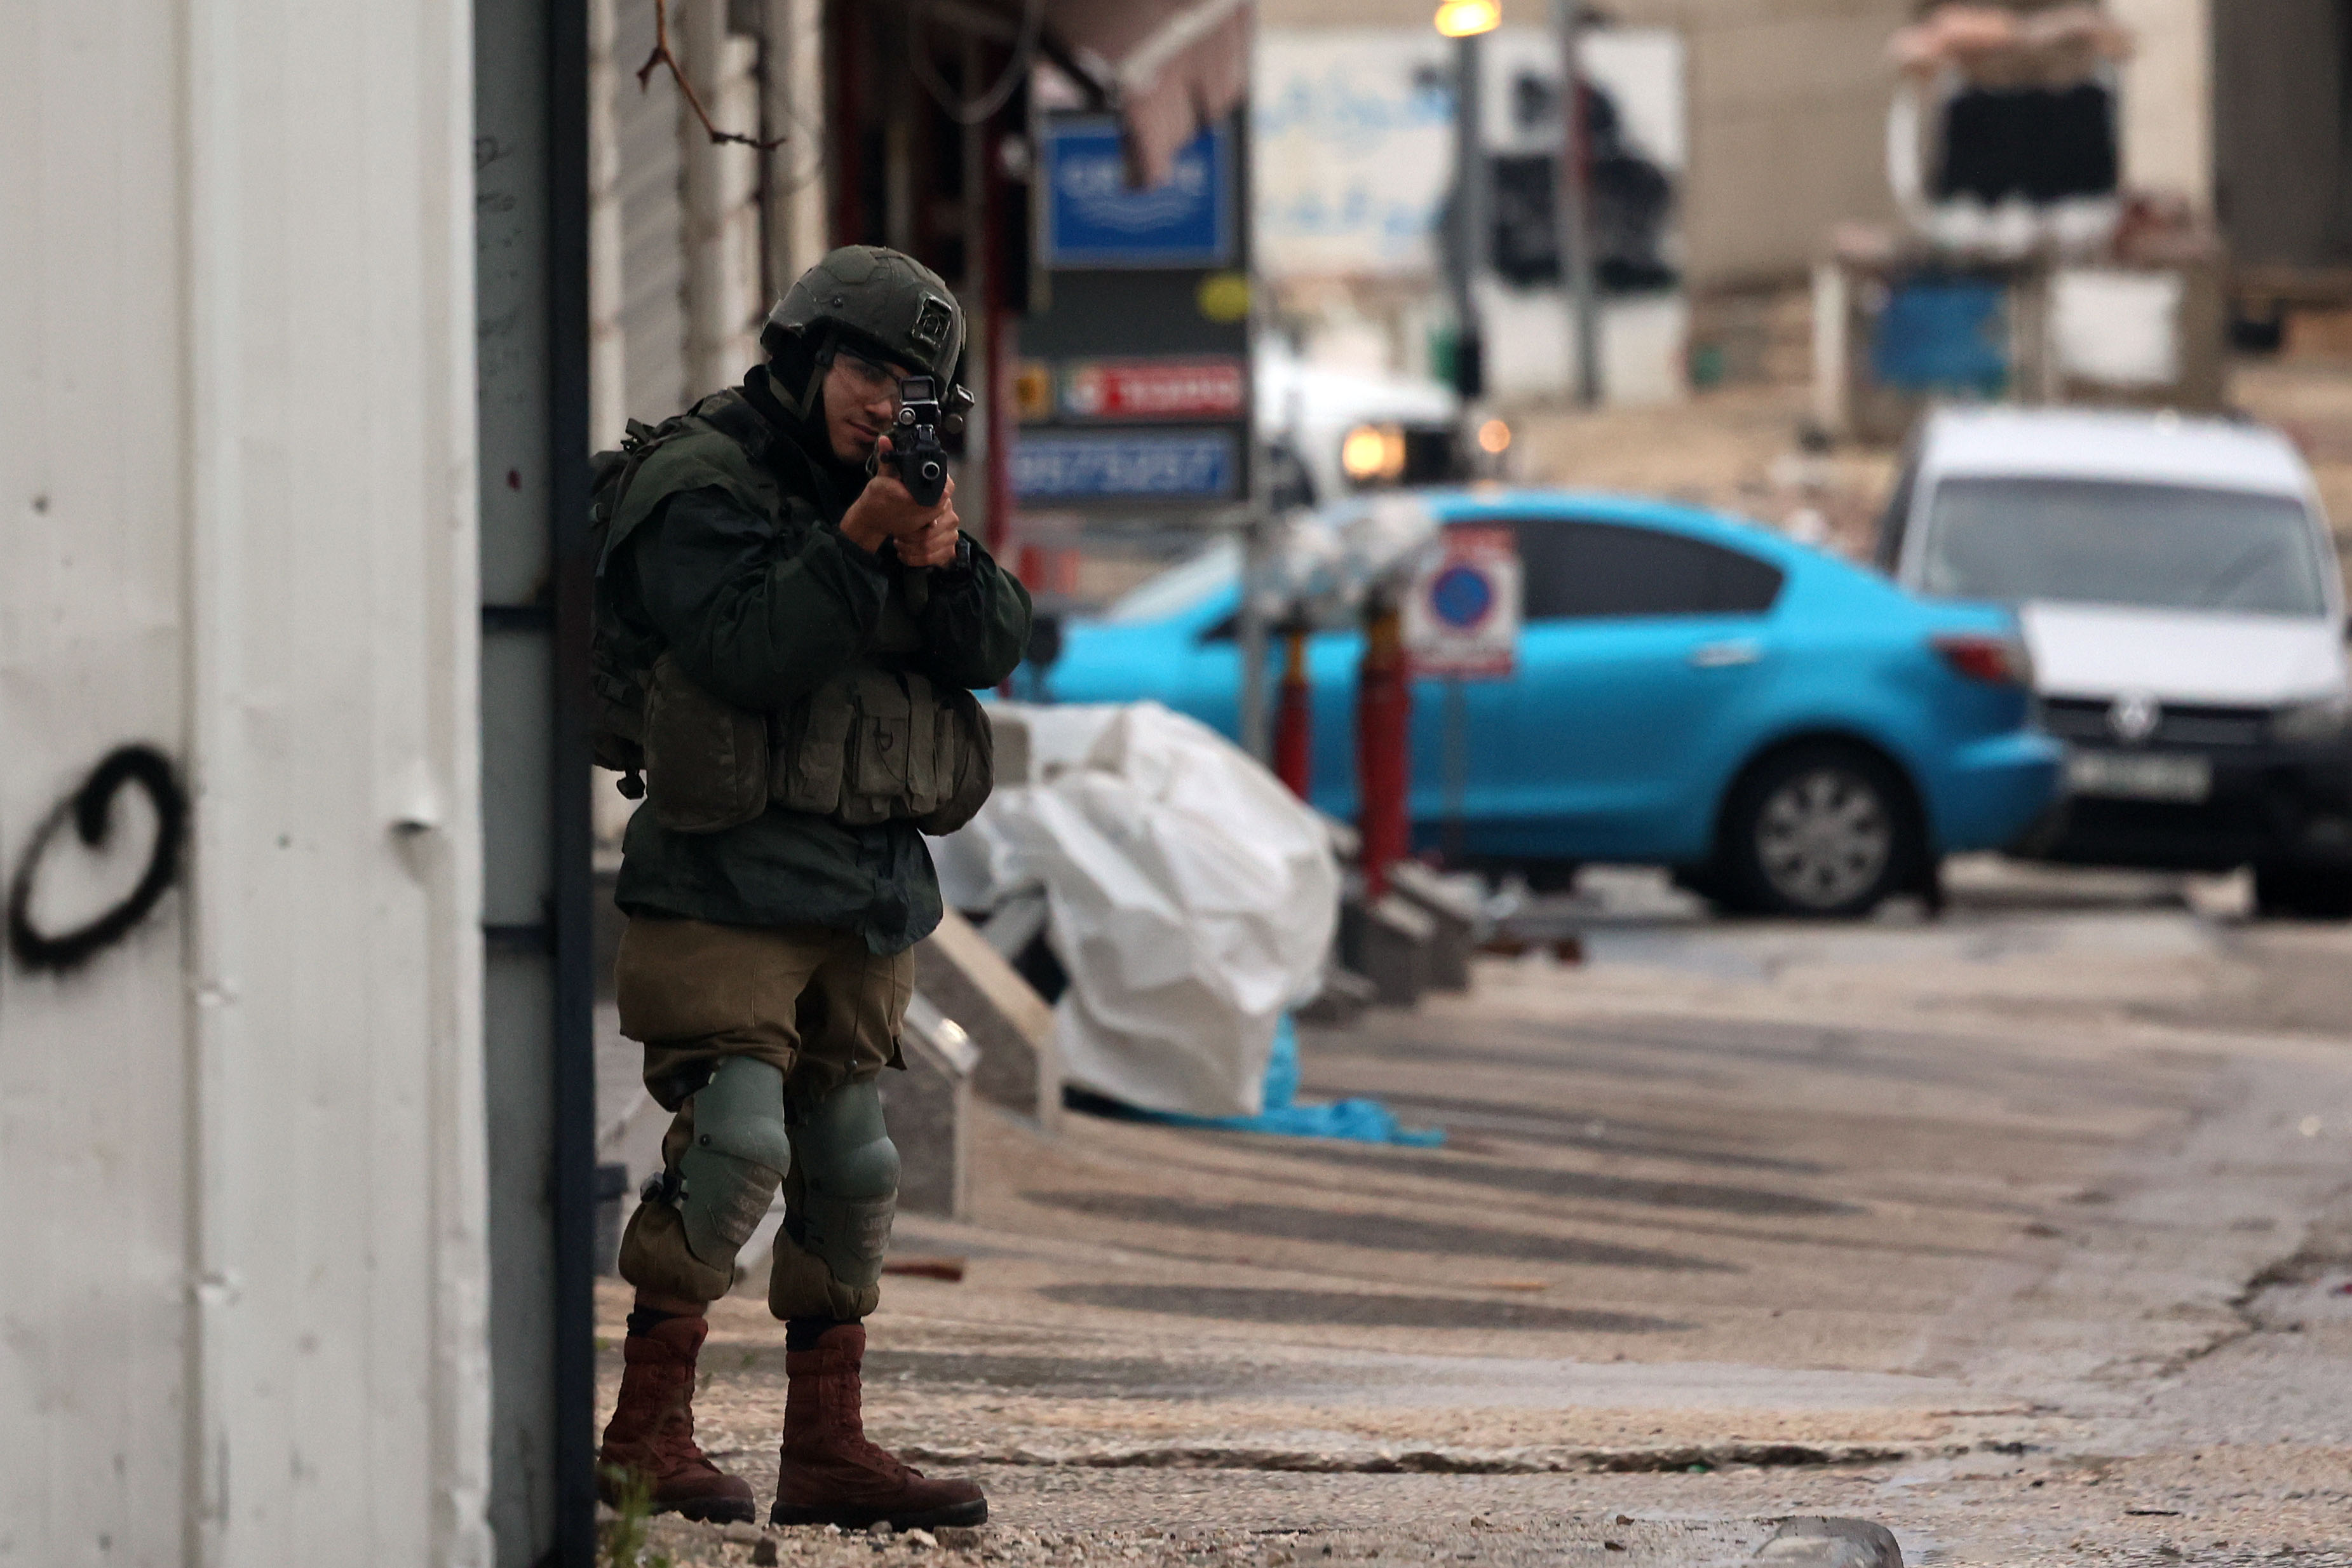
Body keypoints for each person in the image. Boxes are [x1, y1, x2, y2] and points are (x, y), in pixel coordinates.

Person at [590, 246, 1030, 1530]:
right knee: (734, 1145)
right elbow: (746, 648)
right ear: (801, 356)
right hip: (722, 879)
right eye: (864, 371)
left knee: (853, 1163)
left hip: (863, 887)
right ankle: (643, 1433)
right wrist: (860, 542)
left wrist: (939, 555)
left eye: (913, 389)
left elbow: (996, 642)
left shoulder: (894, 485)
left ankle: (828, 1442)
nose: (882, 404)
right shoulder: (700, 482)